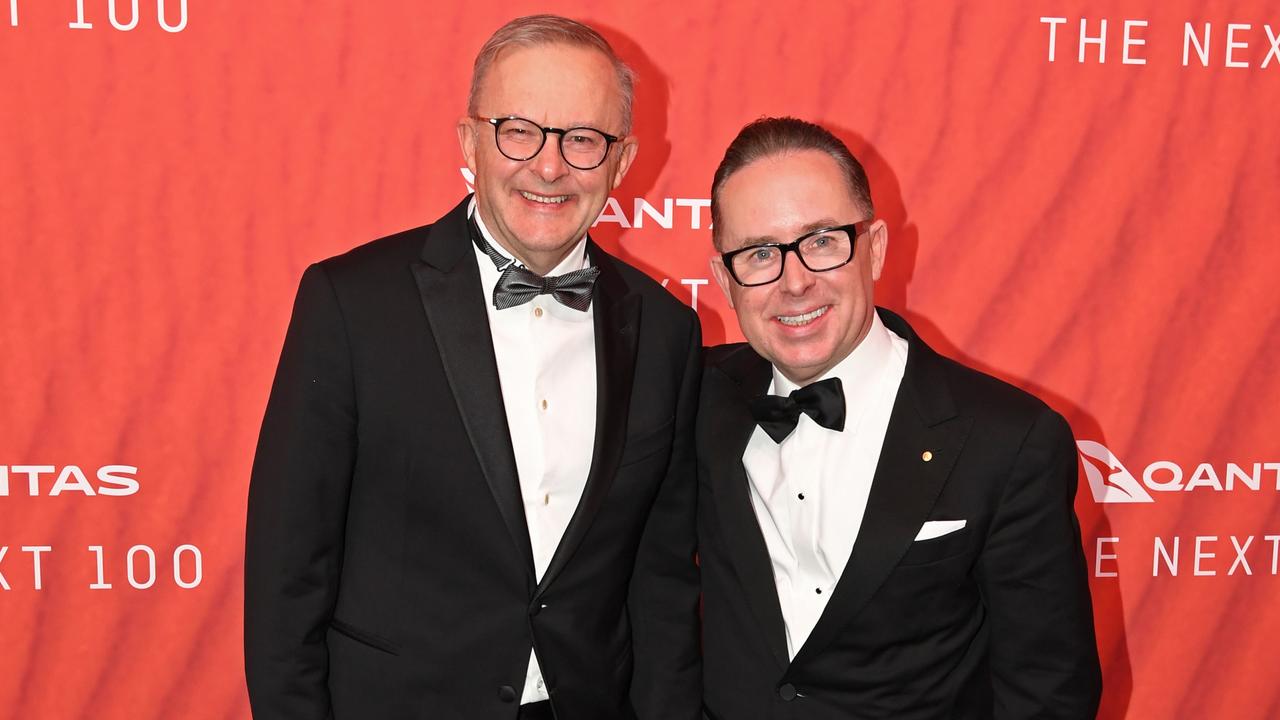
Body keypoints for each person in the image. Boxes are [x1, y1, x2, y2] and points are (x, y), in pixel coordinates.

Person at [244, 15, 702, 720]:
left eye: (583, 139)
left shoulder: (668, 332)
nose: (549, 167)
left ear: (622, 160)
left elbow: (662, 585)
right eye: (519, 130)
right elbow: (287, 572)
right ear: (470, 141)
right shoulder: (352, 303)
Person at [698, 117, 1101, 719]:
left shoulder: (1007, 440)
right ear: (723, 281)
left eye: (822, 241)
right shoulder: (692, 397)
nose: (795, 282)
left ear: (876, 247)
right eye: (759, 254)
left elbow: (1048, 691)